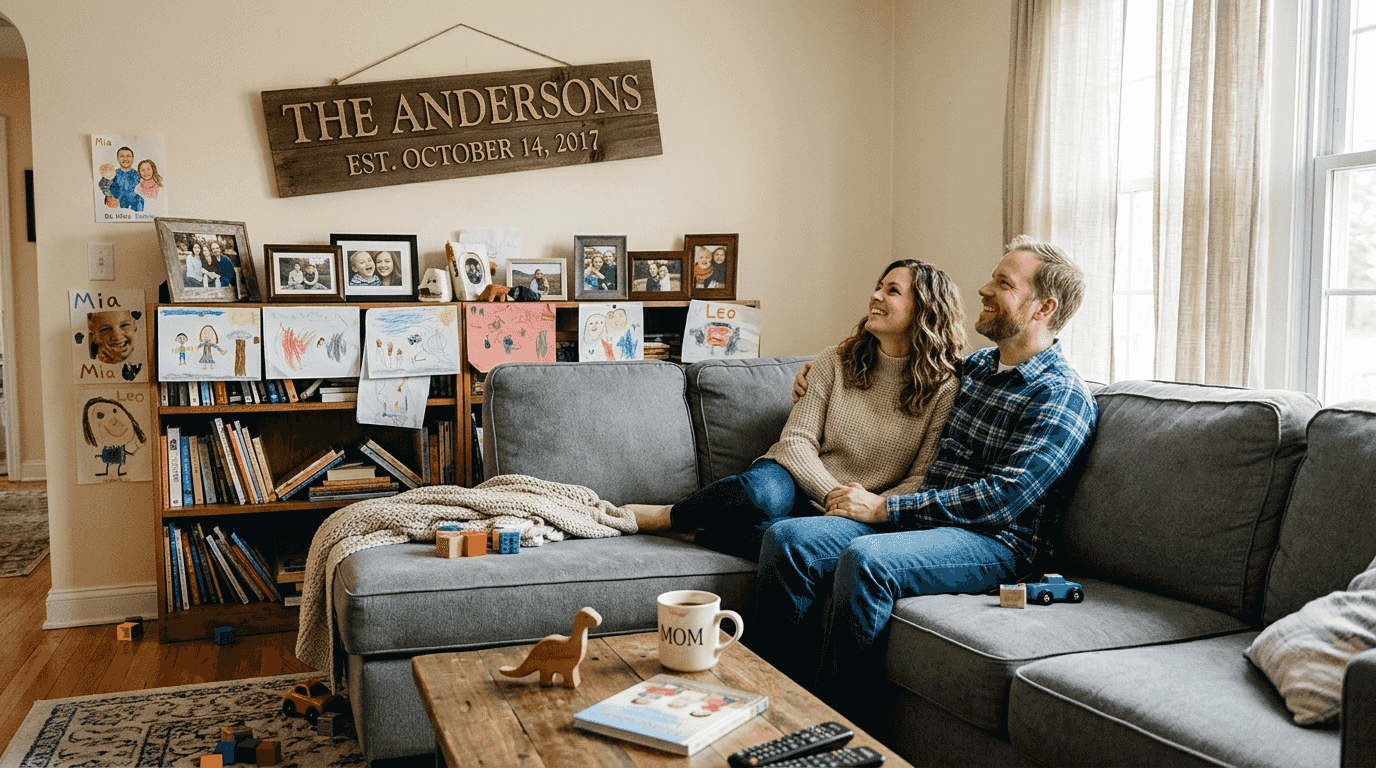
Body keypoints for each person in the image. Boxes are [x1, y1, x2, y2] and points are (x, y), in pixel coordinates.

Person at [766, 235, 1098, 721]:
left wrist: (885, 508)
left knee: (866, 561)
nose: (984, 288)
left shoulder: (1062, 395)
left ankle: (832, 728)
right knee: (788, 539)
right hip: (928, 523)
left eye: (1003, 283)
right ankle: (774, 702)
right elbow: (900, 356)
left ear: (1043, 307)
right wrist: (820, 367)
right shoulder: (977, 367)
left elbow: (1003, 500)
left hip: (995, 543)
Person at [625, 259, 966, 564]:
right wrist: (834, 496)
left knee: (785, 540)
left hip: (860, 507)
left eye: (892, 291)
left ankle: (698, 534)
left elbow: (920, 478)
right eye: (878, 287)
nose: (876, 296)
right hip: (792, 477)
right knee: (759, 494)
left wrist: (868, 508)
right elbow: (796, 441)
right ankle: (670, 516)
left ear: (925, 310)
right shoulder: (836, 360)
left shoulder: (945, 389)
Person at [98, 146, 144, 211]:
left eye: (128, 156)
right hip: (117, 211)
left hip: (135, 210)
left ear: (133, 159)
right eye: (122, 156)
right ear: (117, 158)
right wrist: (109, 197)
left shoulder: (139, 175)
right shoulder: (112, 174)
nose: (125, 159)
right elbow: (102, 184)